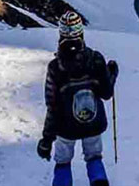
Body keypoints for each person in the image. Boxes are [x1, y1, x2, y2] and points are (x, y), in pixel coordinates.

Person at [37, 11, 118, 186]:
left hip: (66, 127)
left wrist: (47, 139)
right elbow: (106, 93)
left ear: (61, 34)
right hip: (93, 122)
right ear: (80, 31)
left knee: (63, 162)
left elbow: (52, 106)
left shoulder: (55, 67)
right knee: (94, 157)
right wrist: (112, 74)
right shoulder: (95, 59)